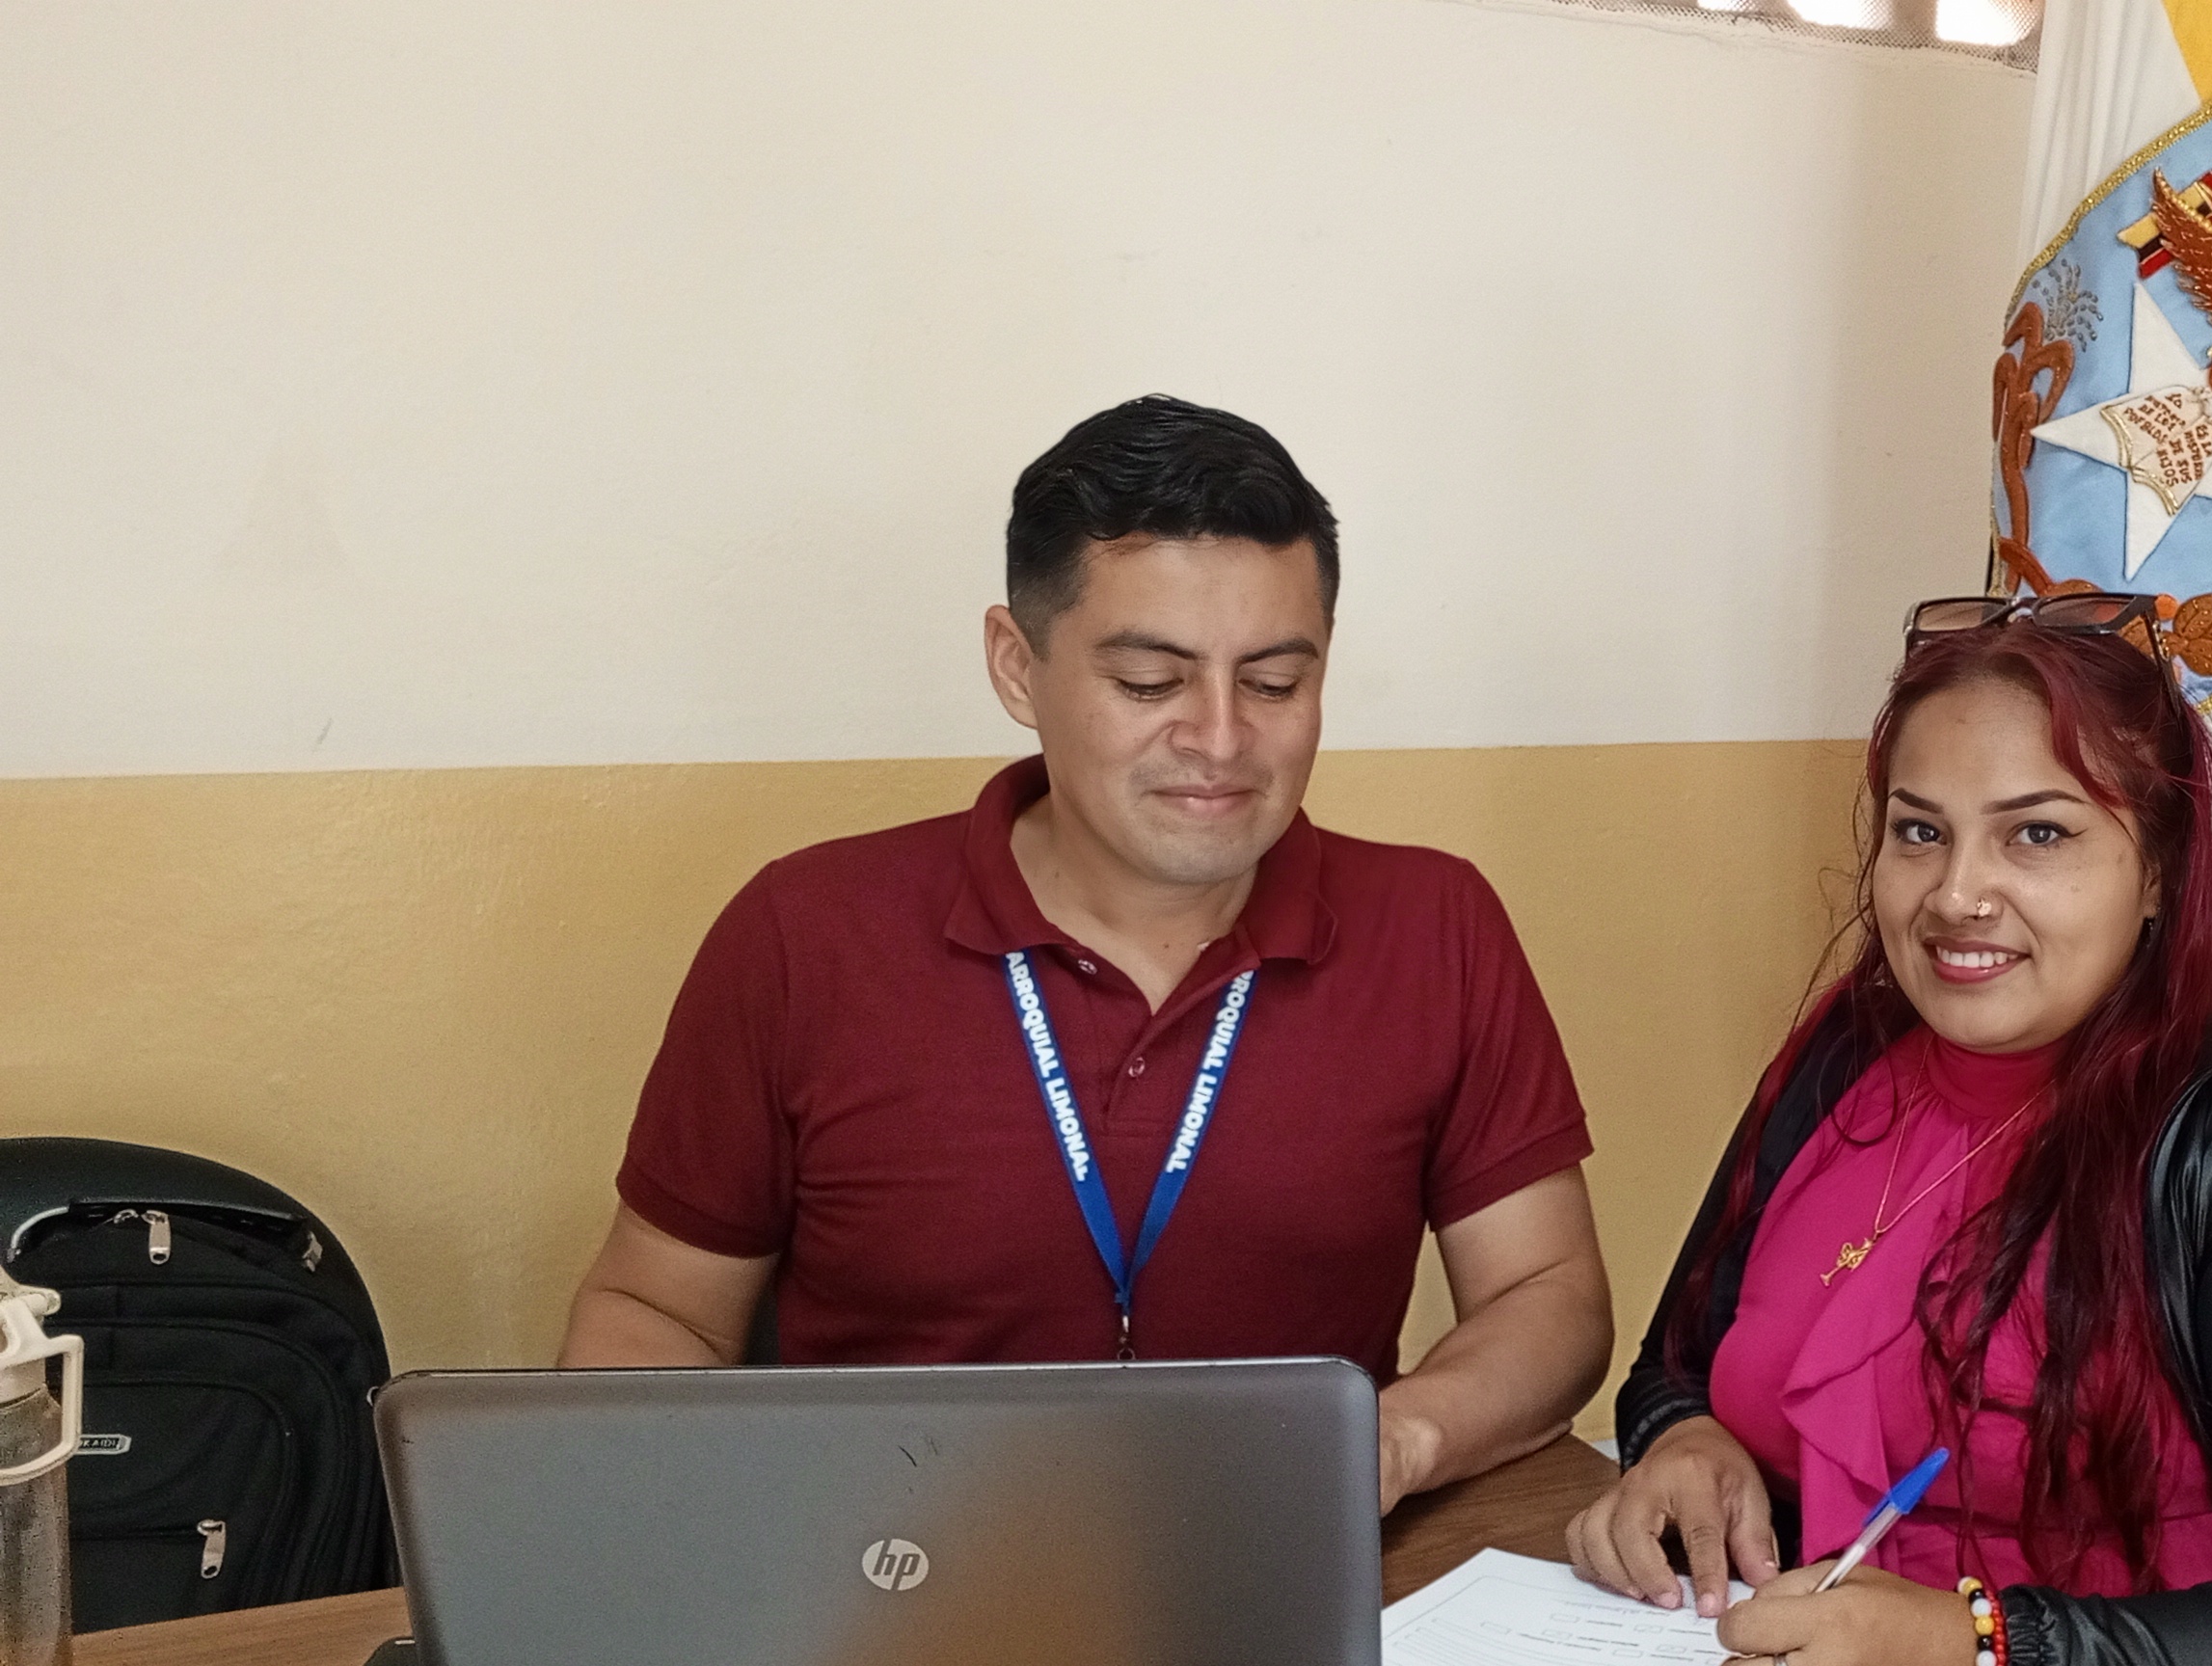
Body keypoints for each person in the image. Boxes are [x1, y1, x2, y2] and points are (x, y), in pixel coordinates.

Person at [557, 395, 1612, 1513]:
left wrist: (1397, 1440)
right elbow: (654, 1310)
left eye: (1274, 682)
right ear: (1018, 667)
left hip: (1291, 1557)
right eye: (1149, 682)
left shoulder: (1435, 925)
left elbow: (1547, 1294)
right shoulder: (806, 935)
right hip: (887, 1568)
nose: (1219, 739)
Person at [1568, 593, 2212, 1665]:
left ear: (2159, 869)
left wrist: (1980, 1643)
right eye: (1920, 832)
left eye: (2037, 833)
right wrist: (1684, 1438)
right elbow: (1676, 1360)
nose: (1957, 894)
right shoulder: (1844, 1061)